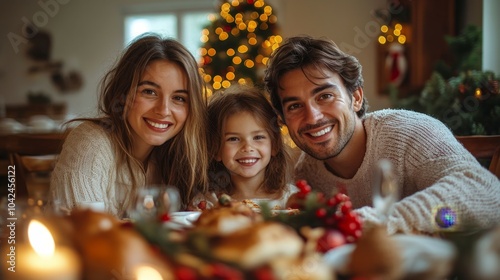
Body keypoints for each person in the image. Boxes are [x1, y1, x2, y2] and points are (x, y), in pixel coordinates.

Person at [264, 35, 500, 235]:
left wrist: (379, 221)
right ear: (283, 119)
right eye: (295, 106)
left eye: (325, 96)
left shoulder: (410, 132)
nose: (313, 117)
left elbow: (488, 194)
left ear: (355, 98)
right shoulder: (306, 174)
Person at [48, 34, 209, 218]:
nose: (164, 110)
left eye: (179, 98)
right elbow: (87, 236)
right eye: (149, 92)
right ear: (122, 94)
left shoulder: (178, 155)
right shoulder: (90, 143)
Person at [191, 85, 297, 211]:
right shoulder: (206, 204)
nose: (247, 148)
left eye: (258, 137)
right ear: (215, 149)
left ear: (274, 145)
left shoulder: (292, 198)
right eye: (233, 139)